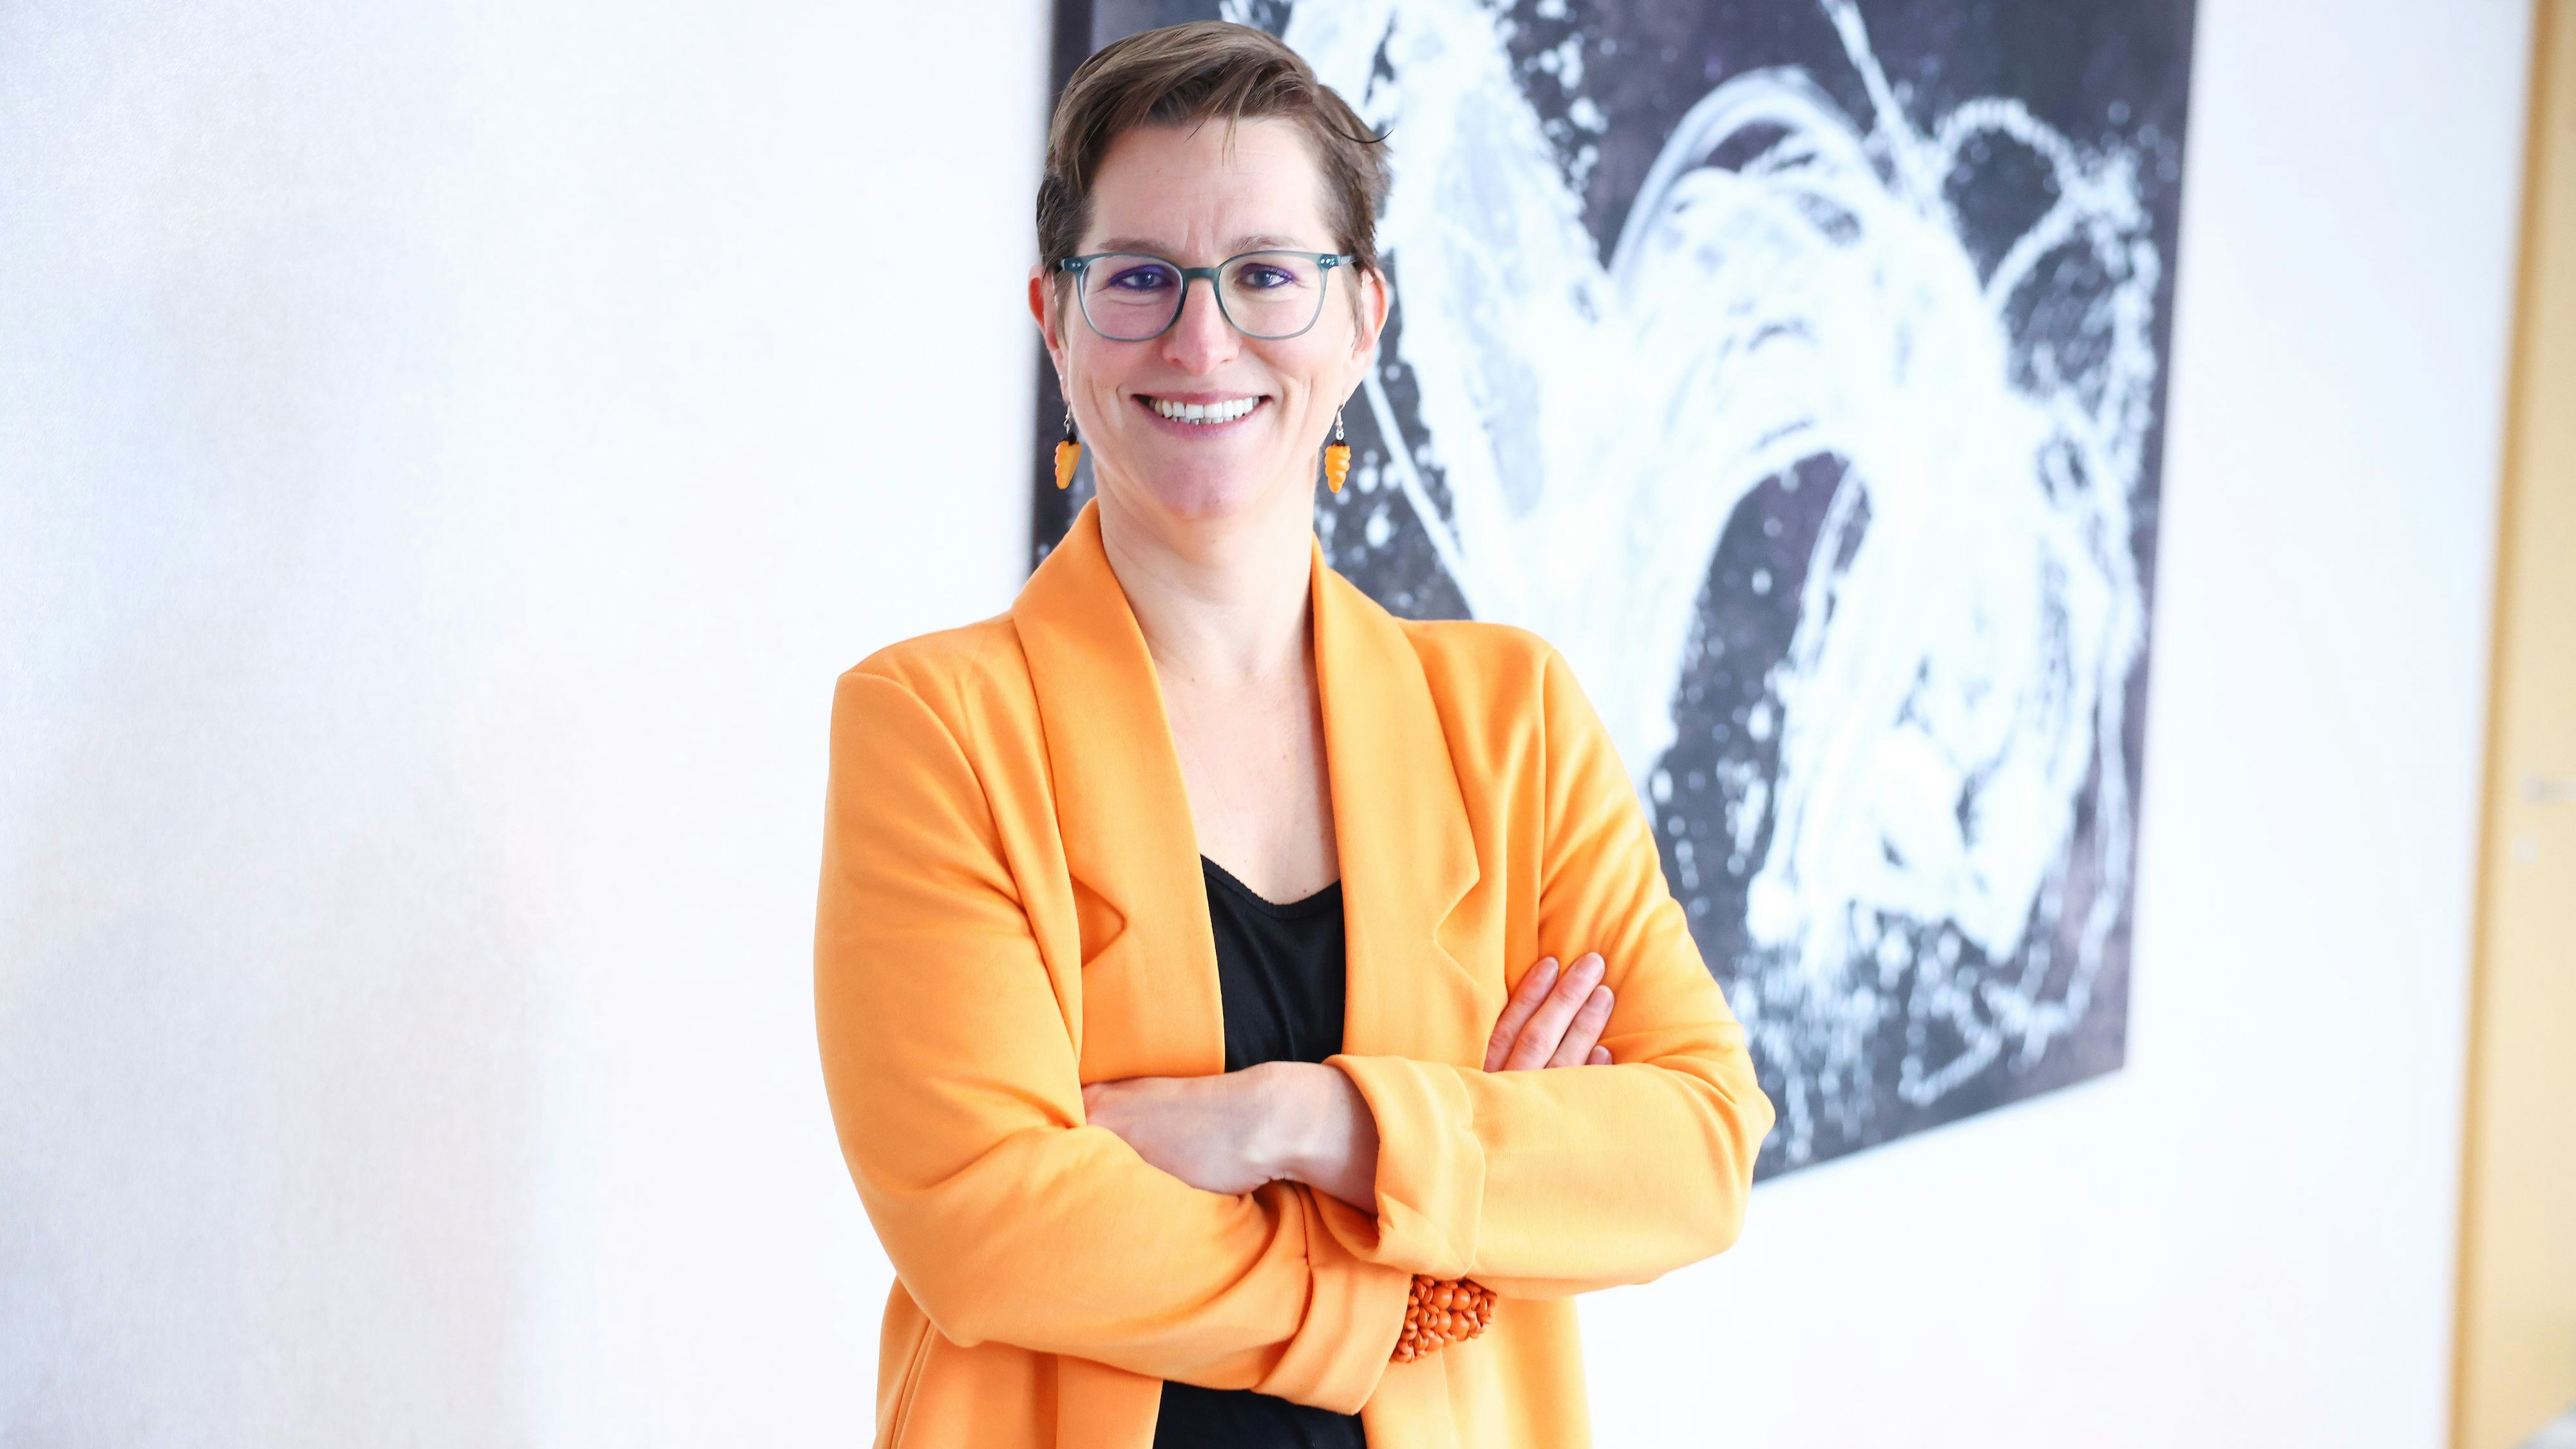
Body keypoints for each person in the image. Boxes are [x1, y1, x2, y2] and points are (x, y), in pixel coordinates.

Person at [813, 21, 1773, 1448]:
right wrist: (1436, 1252)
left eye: (1267, 274)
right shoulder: (935, 728)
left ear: (1361, 318)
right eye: (1137, 277)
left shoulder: (1511, 720)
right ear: (1055, 322)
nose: (1201, 339)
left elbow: (1694, 1146)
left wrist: (1305, 1122)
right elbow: (992, 1225)